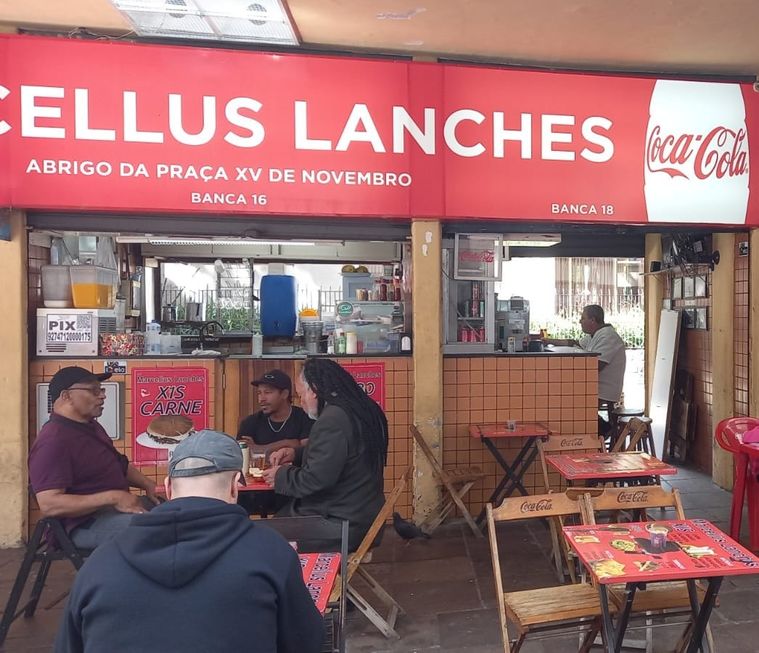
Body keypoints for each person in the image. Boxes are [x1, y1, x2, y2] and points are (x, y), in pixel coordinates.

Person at [54, 429, 324, 653]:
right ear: (235, 486)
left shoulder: (100, 564)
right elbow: (306, 642)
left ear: (169, 488)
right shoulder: (272, 553)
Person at [263, 358, 388, 551]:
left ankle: (292, 581)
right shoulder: (363, 409)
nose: (302, 402)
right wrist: (296, 454)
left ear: (313, 390)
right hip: (364, 515)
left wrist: (280, 475)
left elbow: (315, 480)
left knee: (263, 536)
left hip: (340, 524)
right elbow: (346, 453)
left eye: (301, 395)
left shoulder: (331, 421)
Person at [29, 366, 158, 549]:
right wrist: (113, 497)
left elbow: (118, 465)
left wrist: (147, 484)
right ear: (66, 396)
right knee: (158, 531)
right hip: (82, 525)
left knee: (183, 513)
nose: (102, 396)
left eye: (101, 389)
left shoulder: (91, 426)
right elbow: (50, 504)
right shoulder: (53, 441)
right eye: (93, 390)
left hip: (113, 510)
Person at [577, 304, 627, 434]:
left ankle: (605, 431)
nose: (580, 321)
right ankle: (598, 433)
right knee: (573, 404)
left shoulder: (608, 336)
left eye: (583, 318)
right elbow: (575, 343)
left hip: (604, 388)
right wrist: (547, 340)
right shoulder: (595, 335)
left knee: (576, 408)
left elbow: (596, 366)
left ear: (592, 320)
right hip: (595, 385)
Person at [237, 369, 314, 453]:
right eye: (259, 393)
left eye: (267, 392)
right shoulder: (250, 423)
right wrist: (287, 443)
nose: (261, 399)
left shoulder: (305, 418)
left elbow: (306, 451)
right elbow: (241, 453)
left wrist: (258, 448)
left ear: (284, 394)